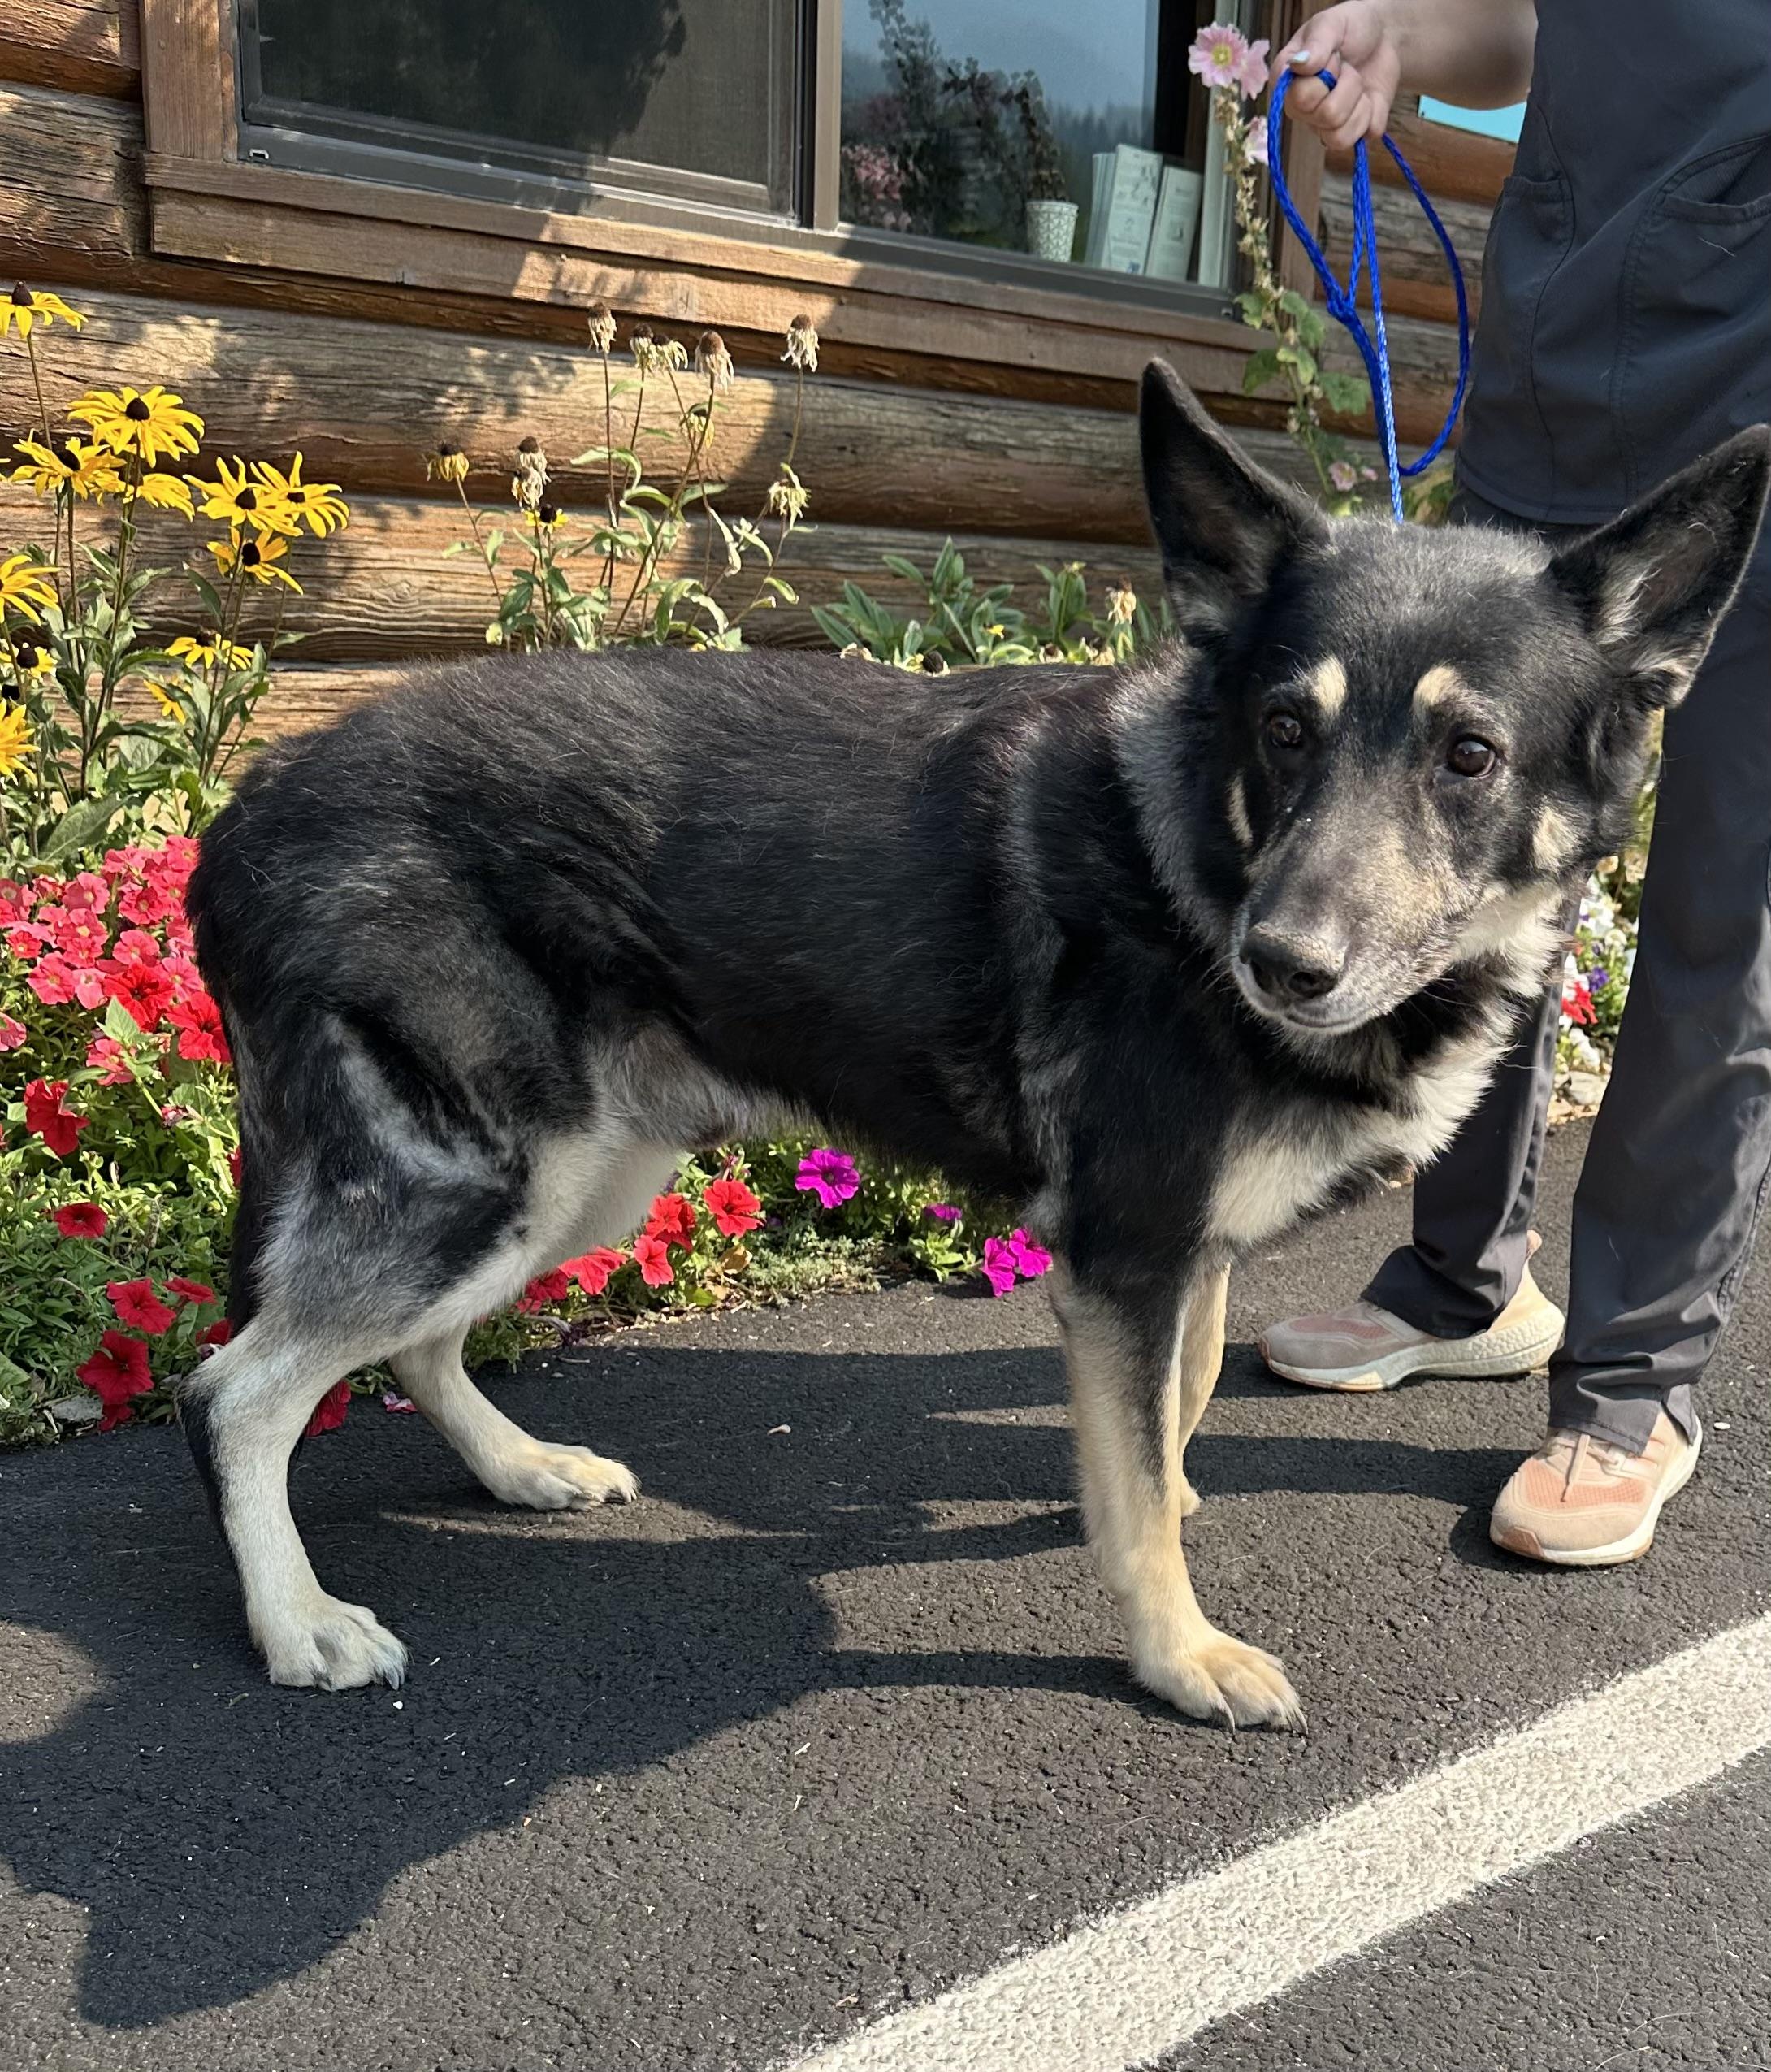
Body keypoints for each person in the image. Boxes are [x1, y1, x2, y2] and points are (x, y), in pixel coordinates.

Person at [1259, 0, 1771, 1565]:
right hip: (1559, 379)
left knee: (1719, 909)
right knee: (1471, 853)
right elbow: (1539, 29)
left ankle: (1633, 1377)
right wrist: (1409, 39)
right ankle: (1459, 1275)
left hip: (1759, 398)